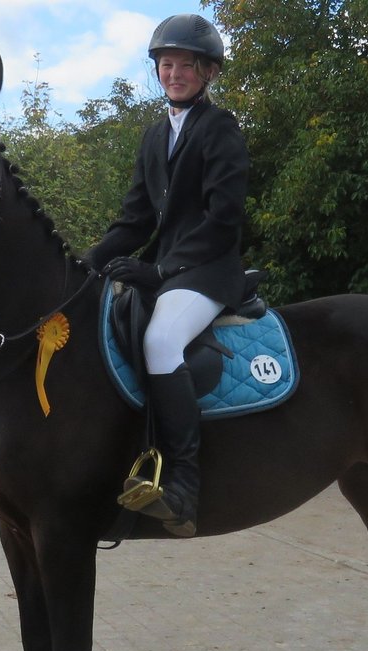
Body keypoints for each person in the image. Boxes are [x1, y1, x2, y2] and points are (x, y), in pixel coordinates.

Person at [84, 13, 249, 538]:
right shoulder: (155, 137)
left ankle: (182, 485)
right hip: (168, 270)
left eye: (185, 65)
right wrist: (84, 265)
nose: (174, 73)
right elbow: (134, 219)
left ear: (207, 73)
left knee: (160, 340)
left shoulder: (220, 128)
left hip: (208, 271)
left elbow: (224, 219)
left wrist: (158, 268)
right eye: (166, 64)